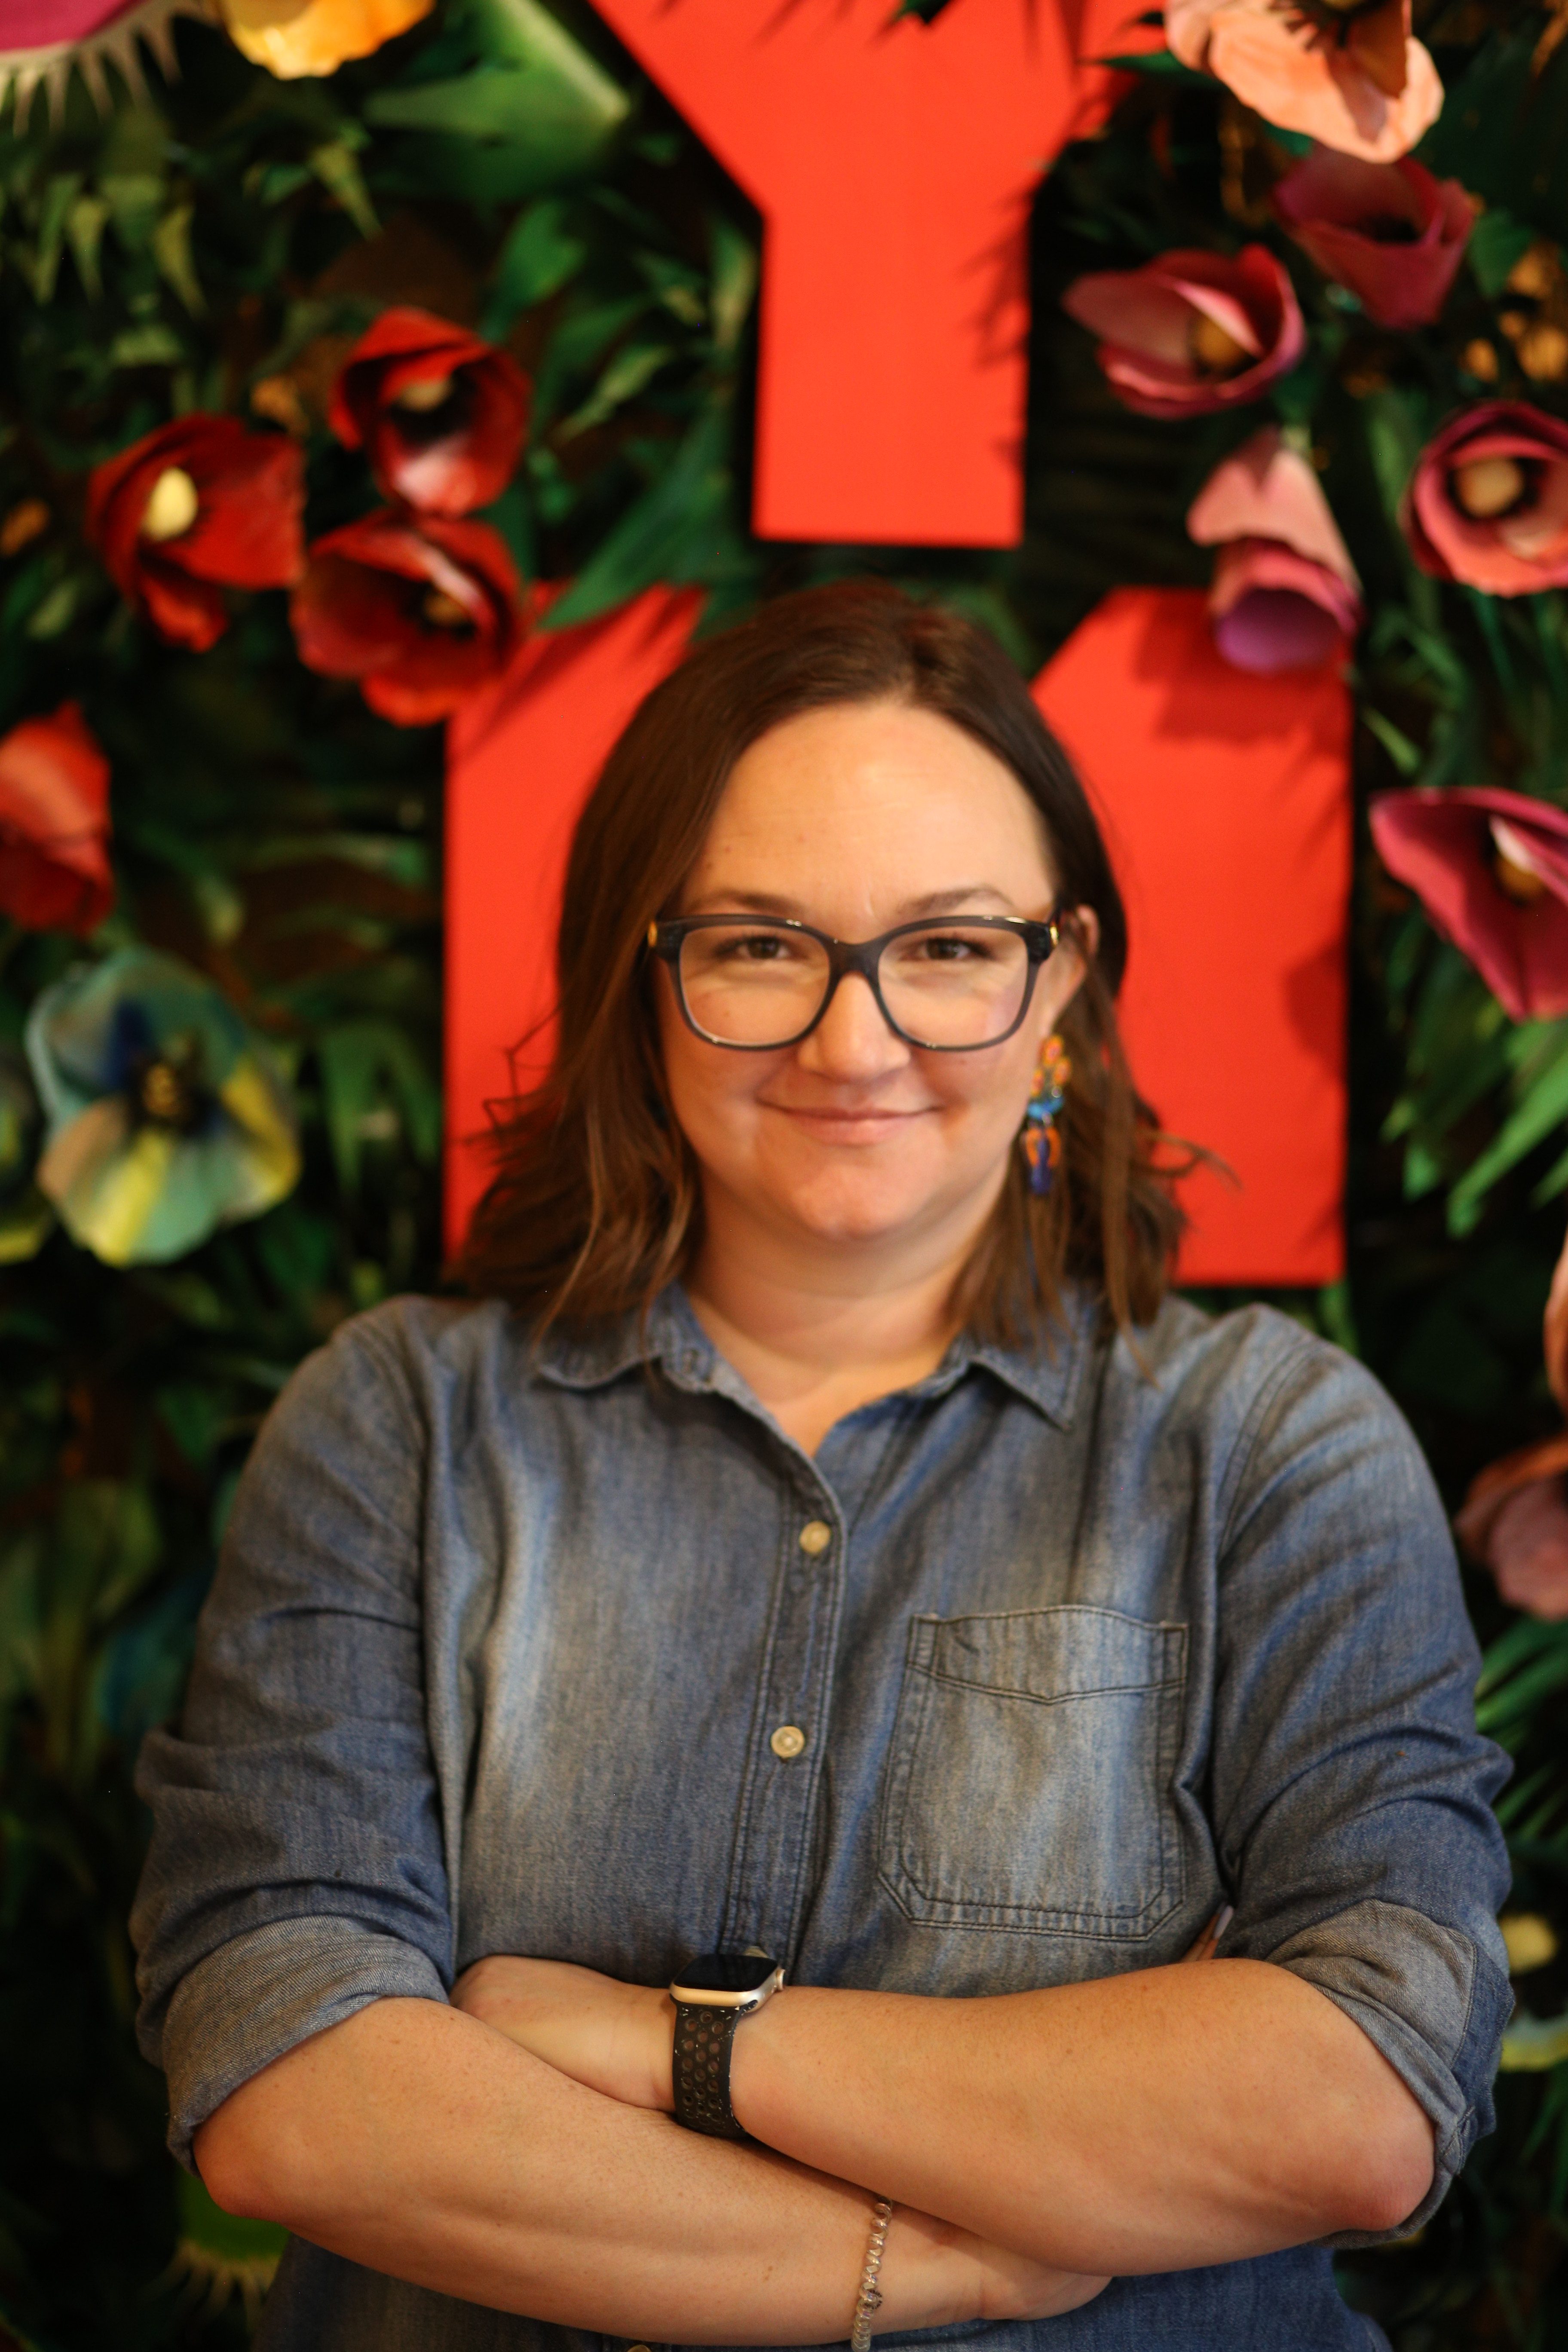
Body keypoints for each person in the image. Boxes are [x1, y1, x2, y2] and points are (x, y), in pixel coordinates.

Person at [132, 581, 1511, 2352]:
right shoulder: (397, 1424)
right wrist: (933, 2273)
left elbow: (1365, 2096)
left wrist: (667, 2045)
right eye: (762, 946)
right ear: (646, 979)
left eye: (947, 948)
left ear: (1061, 989)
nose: (855, 1045)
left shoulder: (1271, 1447)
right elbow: (291, 2078)